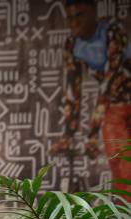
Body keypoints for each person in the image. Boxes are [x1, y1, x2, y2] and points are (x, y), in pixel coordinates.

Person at [51, 0, 130, 196]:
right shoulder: (72, 44)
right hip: (115, 107)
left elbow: (110, 82)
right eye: (70, 18)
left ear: (93, 12)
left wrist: (93, 131)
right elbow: (72, 89)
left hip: (120, 97)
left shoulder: (112, 31)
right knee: (119, 164)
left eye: (80, 16)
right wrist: (68, 134)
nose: (74, 23)